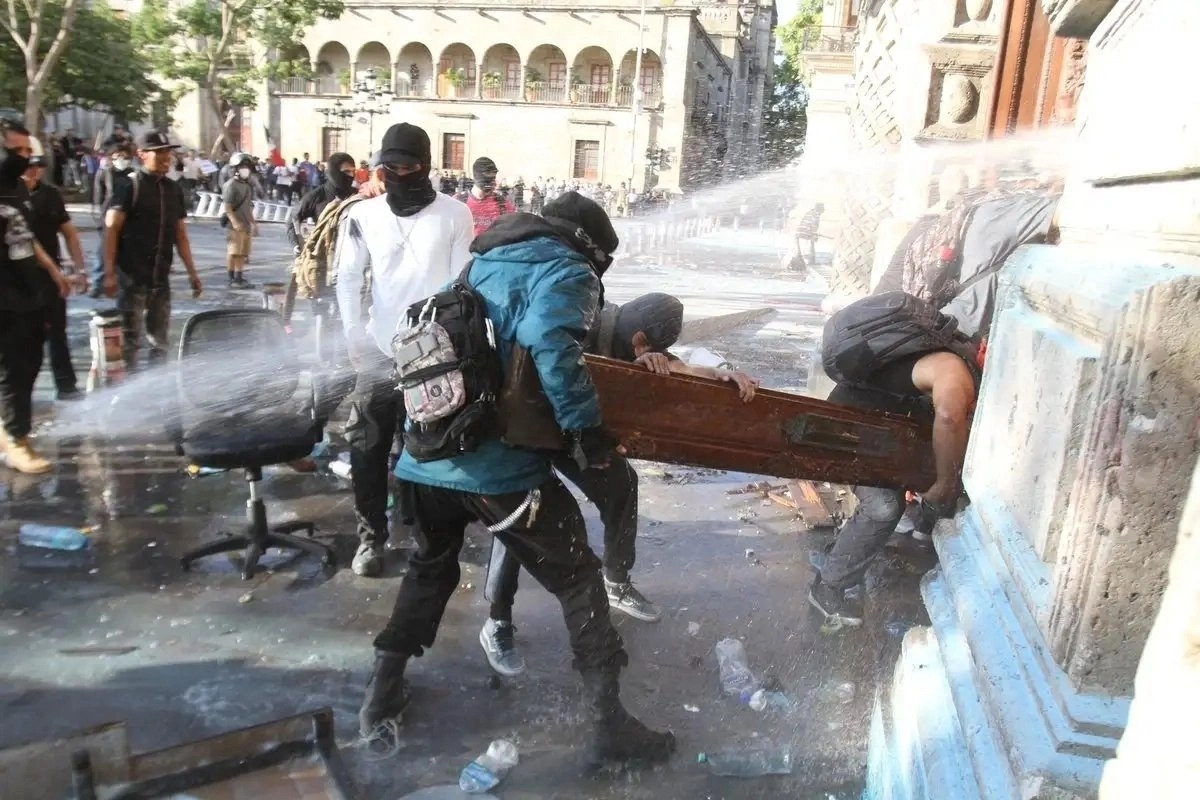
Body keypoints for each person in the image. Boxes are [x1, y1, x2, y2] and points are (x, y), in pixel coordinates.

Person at [361, 192, 677, 770]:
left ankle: (381, 696)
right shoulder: (567, 268)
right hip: (495, 468)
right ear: (589, 247)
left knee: (429, 569)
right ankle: (609, 728)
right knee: (579, 578)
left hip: (426, 458)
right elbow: (551, 342)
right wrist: (587, 432)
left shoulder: (482, 261)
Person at [480, 290, 759, 675]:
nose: (648, 353)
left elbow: (674, 365)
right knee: (522, 512)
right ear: (638, 335)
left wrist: (718, 375)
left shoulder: (627, 335)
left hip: (576, 434)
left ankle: (617, 581)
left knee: (621, 484)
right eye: (646, 346)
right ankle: (497, 618)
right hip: (524, 427)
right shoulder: (574, 322)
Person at [334, 123, 474, 577]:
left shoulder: (454, 215)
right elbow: (348, 278)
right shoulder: (362, 215)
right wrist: (353, 333)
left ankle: (426, 536)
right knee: (367, 446)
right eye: (389, 167)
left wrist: (446, 346)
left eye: (408, 166)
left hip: (433, 355)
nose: (397, 174)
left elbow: (460, 286)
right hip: (377, 351)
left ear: (426, 166)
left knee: (429, 447)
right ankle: (370, 537)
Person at [807, 298, 979, 628]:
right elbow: (948, 416)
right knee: (883, 507)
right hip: (847, 430)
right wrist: (945, 482)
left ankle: (842, 552)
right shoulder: (953, 369)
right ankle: (828, 589)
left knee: (888, 501)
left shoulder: (939, 355)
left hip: (867, 425)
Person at [0, 120, 72, 473]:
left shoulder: (16, 188)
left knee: (29, 361)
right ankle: (16, 439)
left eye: (28, 151)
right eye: (16, 151)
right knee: (12, 365)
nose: (25, 158)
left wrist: (55, 272)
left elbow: (25, 237)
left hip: (28, 288)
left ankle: (11, 429)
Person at [103, 131, 203, 367]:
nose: (166, 157)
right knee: (130, 341)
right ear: (142, 154)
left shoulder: (173, 190)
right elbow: (111, 229)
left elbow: (180, 234)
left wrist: (193, 273)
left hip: (160, 279)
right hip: (132, 279)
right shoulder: (129, 186)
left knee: (160, 342)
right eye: (159, 152)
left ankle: (156, 385)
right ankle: (128, 384)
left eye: (168, 151)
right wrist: (109, 273)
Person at [24, 138, 86, 400]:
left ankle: (66, 386)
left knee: (56, 332)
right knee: (21, 338)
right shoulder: (8, 196)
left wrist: (80, 269)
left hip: (50, 278)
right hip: (16, 279)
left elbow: (69, 232)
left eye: (38, 165)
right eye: (28, 165)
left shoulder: (50, 195)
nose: (33, 171)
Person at [283, 152, 357, 325]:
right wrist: (298, 246)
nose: (350, 176)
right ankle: (315, 332)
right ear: (334, 171)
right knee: (320, 305)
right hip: (323, 259)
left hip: (351, 256)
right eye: (346, 171)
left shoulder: (356, 196)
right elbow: (293, 220)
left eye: (353, 171)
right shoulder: (317, 195)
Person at [89, 142, 136, 297]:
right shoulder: (105, 173)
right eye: (118, 156)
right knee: (103, 250)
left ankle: (123, 283)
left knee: (124, 251)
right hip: (107, 215)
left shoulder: (133, 174)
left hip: (127, 216)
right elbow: (98, 196)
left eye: (125, 156)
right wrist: (99, 217)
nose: (121, 159)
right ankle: (97, 283)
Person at [222, 154, 258, 289]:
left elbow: (248, 208)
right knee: (234, 252)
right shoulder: (230, 185)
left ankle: (239, 277)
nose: (245, 169)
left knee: (243, 253)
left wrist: (254, 223)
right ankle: (232, 278)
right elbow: (227, 208)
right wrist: (234, 222)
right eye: (242, 167)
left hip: (246, 224)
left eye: (247, 167)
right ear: (235, 169)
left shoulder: (247, 186)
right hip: (234, 225)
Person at [465, 157, 517, 238]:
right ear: (476, 177)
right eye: (487, 177)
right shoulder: (459, 202)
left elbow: (513, 232)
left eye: (493, 177)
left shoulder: (503, 204)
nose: (492, 182)